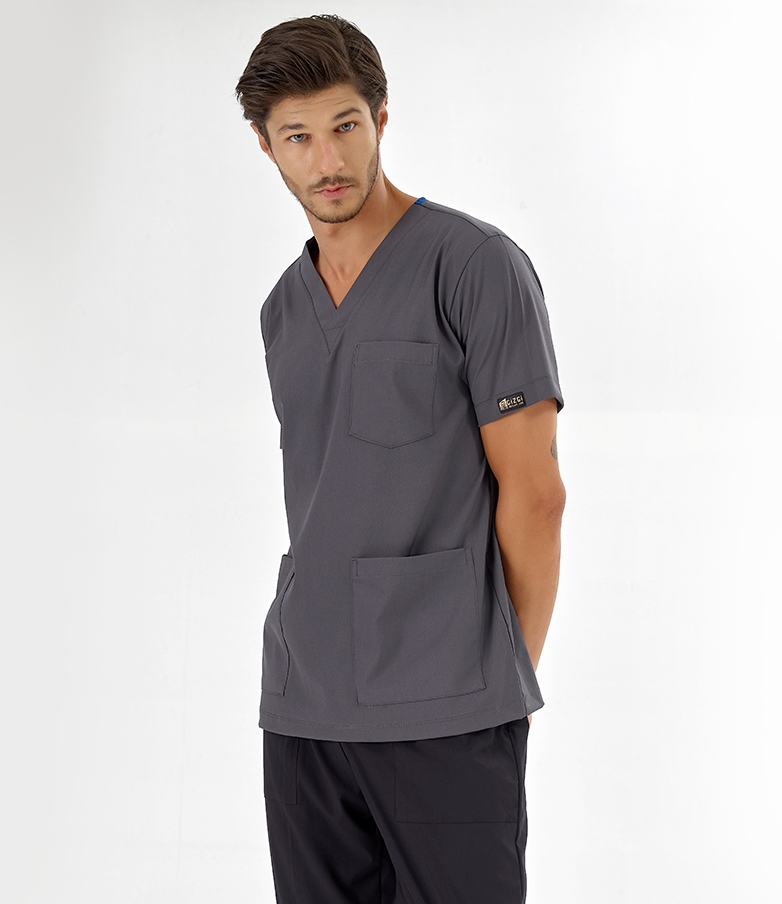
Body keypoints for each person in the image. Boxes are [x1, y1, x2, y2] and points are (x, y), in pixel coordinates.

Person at [235, 14, 565, 903]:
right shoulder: (283, 310)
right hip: (303, 708)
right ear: (265, 146)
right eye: (297, 136)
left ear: (381, 117)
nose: (327, 159)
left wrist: (501, 685)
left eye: (345, 125)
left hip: (447, 709)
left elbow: (536, 494)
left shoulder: (474, 268)